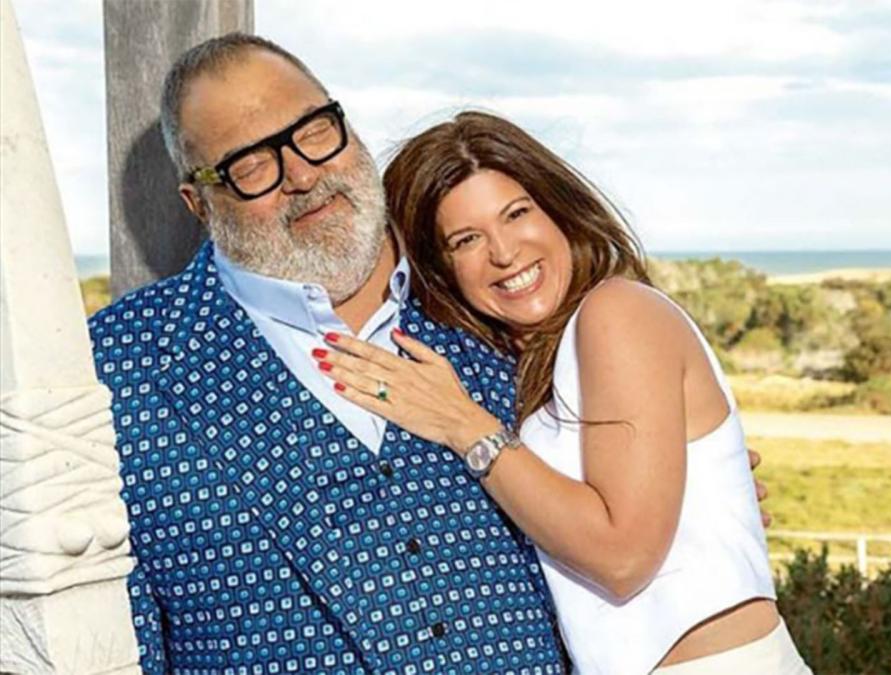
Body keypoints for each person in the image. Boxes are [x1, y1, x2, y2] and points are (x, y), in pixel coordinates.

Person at [91, 33, 768, 673]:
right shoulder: (118, 366)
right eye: (252, 165)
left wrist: (693, 496)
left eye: (314, 131)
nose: (301, 173)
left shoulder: (491, 295)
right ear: (199, 203)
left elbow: (635, 487)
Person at [315, 112, 810, 674]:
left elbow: (622, 557)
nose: (504, 252)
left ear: (558, 210)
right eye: (467, 239)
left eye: (517, 213)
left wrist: (463, 425)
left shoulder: (616, 312)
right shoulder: (532, 369)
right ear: (441, 269)